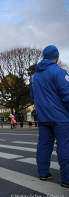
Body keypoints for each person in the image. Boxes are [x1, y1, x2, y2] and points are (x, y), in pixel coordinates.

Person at [30, 45, 69, 188]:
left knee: (44, 145)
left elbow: (32, 97)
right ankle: (66, 179)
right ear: (56, 57)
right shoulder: (59, 72)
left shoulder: (34, 76)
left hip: (43, 116)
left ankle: (43, 173)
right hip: (61, 116)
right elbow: (67, 95)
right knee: (64, 146)